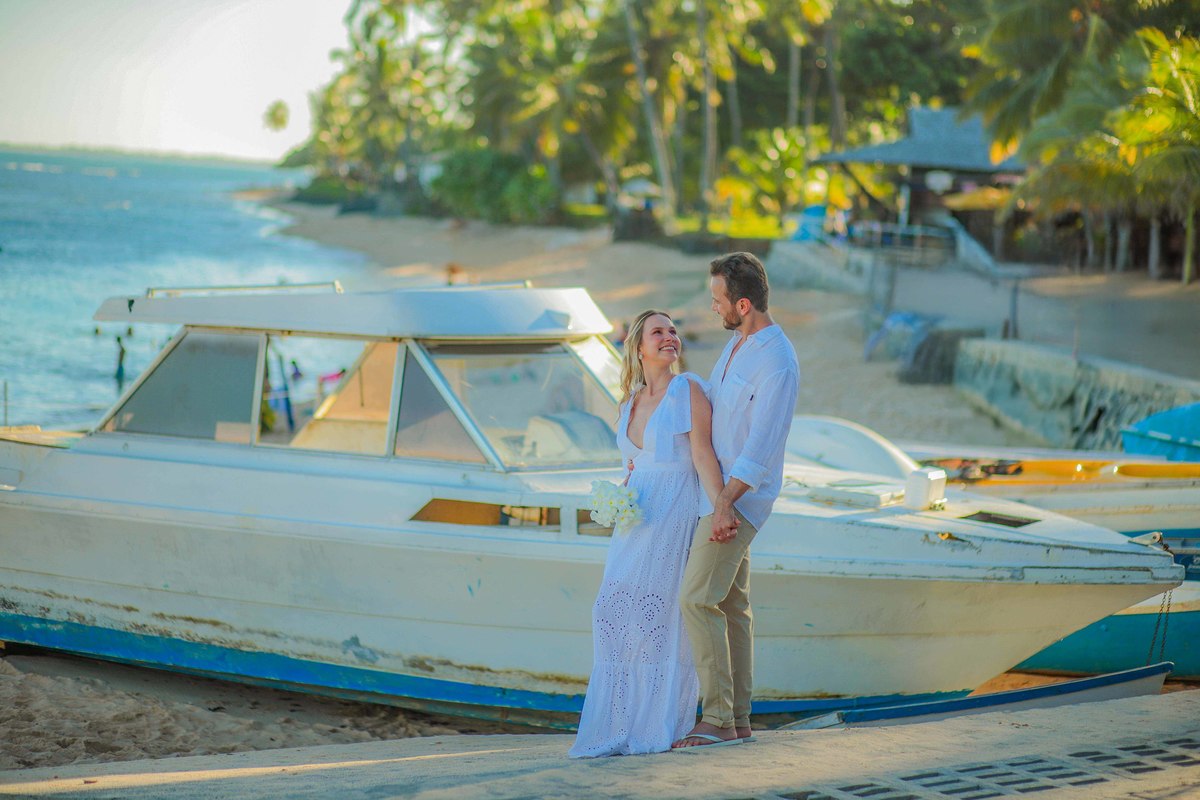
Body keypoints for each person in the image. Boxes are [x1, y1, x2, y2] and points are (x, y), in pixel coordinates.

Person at [570, 310, 724, 758]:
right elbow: (632, 467)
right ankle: (616, 723)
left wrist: (722, 508)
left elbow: (703, 455)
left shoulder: (687, 390)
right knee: (610, 612)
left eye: (673, 331)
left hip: (674, 512)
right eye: (658, 332)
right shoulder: (629, 402)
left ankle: (657, 725)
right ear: (638, 347)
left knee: (656, 621)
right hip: (634, 521)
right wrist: (615, 498)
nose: (669, 337)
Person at [673, 252, 800, 749]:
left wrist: (725, 504)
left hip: (738, 500)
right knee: (730, 605)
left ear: (742, 304)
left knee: (696, 598)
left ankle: (718, 718)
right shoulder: (737, 344)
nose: (713, 308)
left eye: (718, 300)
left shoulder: (777, 362)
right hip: (718, 494)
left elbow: (761, 448)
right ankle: (740, 718)